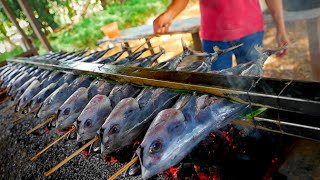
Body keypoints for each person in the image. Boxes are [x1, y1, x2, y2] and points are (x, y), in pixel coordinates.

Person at [153, 0, 290, 70]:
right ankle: (229, 124)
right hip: (214, 37)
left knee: (252, 84)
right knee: (219, 89)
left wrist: (281, 29)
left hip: (251, 32)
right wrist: (169, 14)